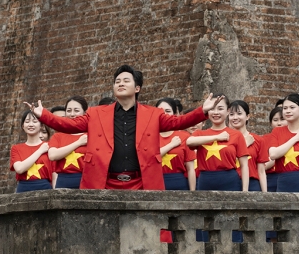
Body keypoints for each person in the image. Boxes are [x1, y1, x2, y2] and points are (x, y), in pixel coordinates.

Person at [29, 65, 218, 190]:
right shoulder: (96, 113)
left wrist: (203, 111)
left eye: (126, 80)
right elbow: (68, 125)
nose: (120, 83)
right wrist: (43, 114)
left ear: (137, 88)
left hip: (142, 181)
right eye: (117, 81)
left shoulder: (153, 114)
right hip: (104, 181)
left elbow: (179, 123)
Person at [187, 95, 250, 191]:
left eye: (220, 108)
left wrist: (245, 191)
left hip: (230, 180)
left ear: (228, 111)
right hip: (205, 180)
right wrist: (217, 137)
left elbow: (244, 165)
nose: (216, 112)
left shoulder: (236, 135)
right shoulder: (200, 133)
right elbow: (189, 142)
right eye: (212, 109)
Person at [47, 96, 90, 189]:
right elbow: (52, 155)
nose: (72, 114)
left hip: (86, 179)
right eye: (69, 110)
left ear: (85, 113)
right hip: (64, 180)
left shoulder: (91, 134)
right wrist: (78, 143)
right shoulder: (58, 136)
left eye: (76, 110)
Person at [157, 98, 195, 191]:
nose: (164, 113)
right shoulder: (149, 136)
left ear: (174, 114)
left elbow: (190, 169)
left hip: (179, 182)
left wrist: (193, 193)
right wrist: (171, 145)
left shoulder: (184, 136)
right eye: (160, 110)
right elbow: (150, 158)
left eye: (168, 111)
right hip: (156, 181)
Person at [228, 100, 268, 191]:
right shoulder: (225, 138)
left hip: (252, 184)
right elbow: (225, 161)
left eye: (239, 113)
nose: (235, 117)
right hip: (230, 182)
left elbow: (261, 171)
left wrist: (265, 195)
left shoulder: (258, 140)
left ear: (247, 116)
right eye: (231, 114)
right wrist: (245, 144)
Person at [11, 110, 54, 192]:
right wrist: (40, 151)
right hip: (23, 188)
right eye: (27, 122)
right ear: (23, 126)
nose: (31, 124)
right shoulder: (16, 148)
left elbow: (54, 172)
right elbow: (19, 169)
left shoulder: (49, 146)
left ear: (41, 125)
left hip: (45, 187)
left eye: (35, 121)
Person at [265, 106, 287, 192]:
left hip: (287, 176)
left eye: (282, 119)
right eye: (275, 120)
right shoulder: (264, 139)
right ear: (270, 123)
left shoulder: (294, 138)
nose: (279, 123)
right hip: (269, 177)